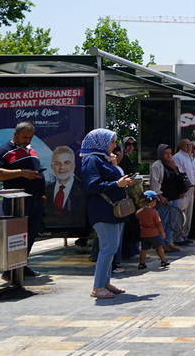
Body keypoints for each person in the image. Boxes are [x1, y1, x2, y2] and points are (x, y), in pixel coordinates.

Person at [80, 128, 134, 298]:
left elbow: (112, 179)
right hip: (103, 211)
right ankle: (97, 287)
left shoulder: (104, 159)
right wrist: (117, 184)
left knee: (111, 248)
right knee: (108, 248)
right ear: (100, 142)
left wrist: (120, 176)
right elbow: (92, 186)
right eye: (111, 142)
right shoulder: (92, 160)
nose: (114, 146)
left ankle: (105, 282)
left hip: (113, 210)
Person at [0, 121, 45, 280]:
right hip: (18, 201)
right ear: (15, 134)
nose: (27, 140)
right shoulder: (4, 151)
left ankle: (21, 264)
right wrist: (21, 172)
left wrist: (41, 193)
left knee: (30, 235)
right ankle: (9, 270)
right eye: (24, 137)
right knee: (15, 235)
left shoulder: (30, 150)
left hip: (35, 200)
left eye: (30, 138)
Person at [149, 144, 183, 253]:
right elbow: (155, 183)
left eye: (170, 153)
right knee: (162, 221)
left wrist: (175, 168)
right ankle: (160, 243)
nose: (168, 156)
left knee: (171, 221)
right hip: (164, 198)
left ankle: (168, 241)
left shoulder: (173, 164)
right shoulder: (157, 166)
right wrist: (160, 196)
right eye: (166, 153)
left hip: (174, 197)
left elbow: (179, 178)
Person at [43, 146, 85, 228]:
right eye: (57, 163)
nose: (62, 167)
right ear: (52, 167)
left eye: (67, 163)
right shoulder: (45, 191)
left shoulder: (84, 189)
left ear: (74, 166)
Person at [172, 139, 195, 246]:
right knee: (180, 213)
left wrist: (194, 188)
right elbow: (178, 175)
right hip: (183, 189)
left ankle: (184, 236)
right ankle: (178, 237)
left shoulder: (190, 157)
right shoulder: (178, 157)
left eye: (190, 145)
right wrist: (180, 190)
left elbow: (192, 174)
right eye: (186, 145)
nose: (189, 147)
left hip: (191, 188)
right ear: (180, 146)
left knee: (188, 214)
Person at [136, 190, 170, 270]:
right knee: (159, 248)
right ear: (153, 201)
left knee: (144, 250)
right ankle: (163, 261)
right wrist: (162, 233)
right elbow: (158, 223)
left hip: (144, 234)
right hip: (153, 234)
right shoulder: (154, 212)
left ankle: (141, 263)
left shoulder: (139, 212)